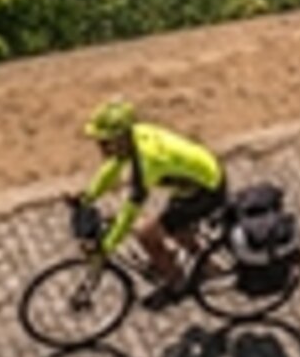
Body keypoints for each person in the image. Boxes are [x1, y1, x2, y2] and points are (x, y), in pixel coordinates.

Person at [79, 98, 224, 307]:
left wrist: (107, 245)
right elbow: (113, 166)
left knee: (146, 235)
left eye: (105, 141)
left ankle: (176, 284)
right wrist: (88, 196)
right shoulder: (134, 136)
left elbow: (131, 210)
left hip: (206, 190)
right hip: (197, 181)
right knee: (177, 228)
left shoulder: (148, 161)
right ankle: (204, 266)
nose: (101, 146)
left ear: (121, 138)